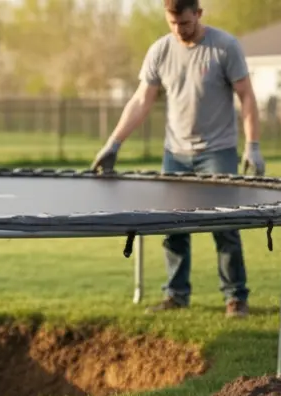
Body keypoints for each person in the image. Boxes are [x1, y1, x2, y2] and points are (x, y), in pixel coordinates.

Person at [91, 0, 263, 317]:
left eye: (184, 23)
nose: (178, 29)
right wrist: (113, 143)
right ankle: (176, 295)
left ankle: (236, 297)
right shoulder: (160, 50)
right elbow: (141, 100)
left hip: (217, 152)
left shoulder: (224, 47)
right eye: (172, 23)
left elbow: (247, 97)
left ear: (198, 14)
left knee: (225, 225)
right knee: (173, 226)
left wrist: (252, 145)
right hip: (176, 154)